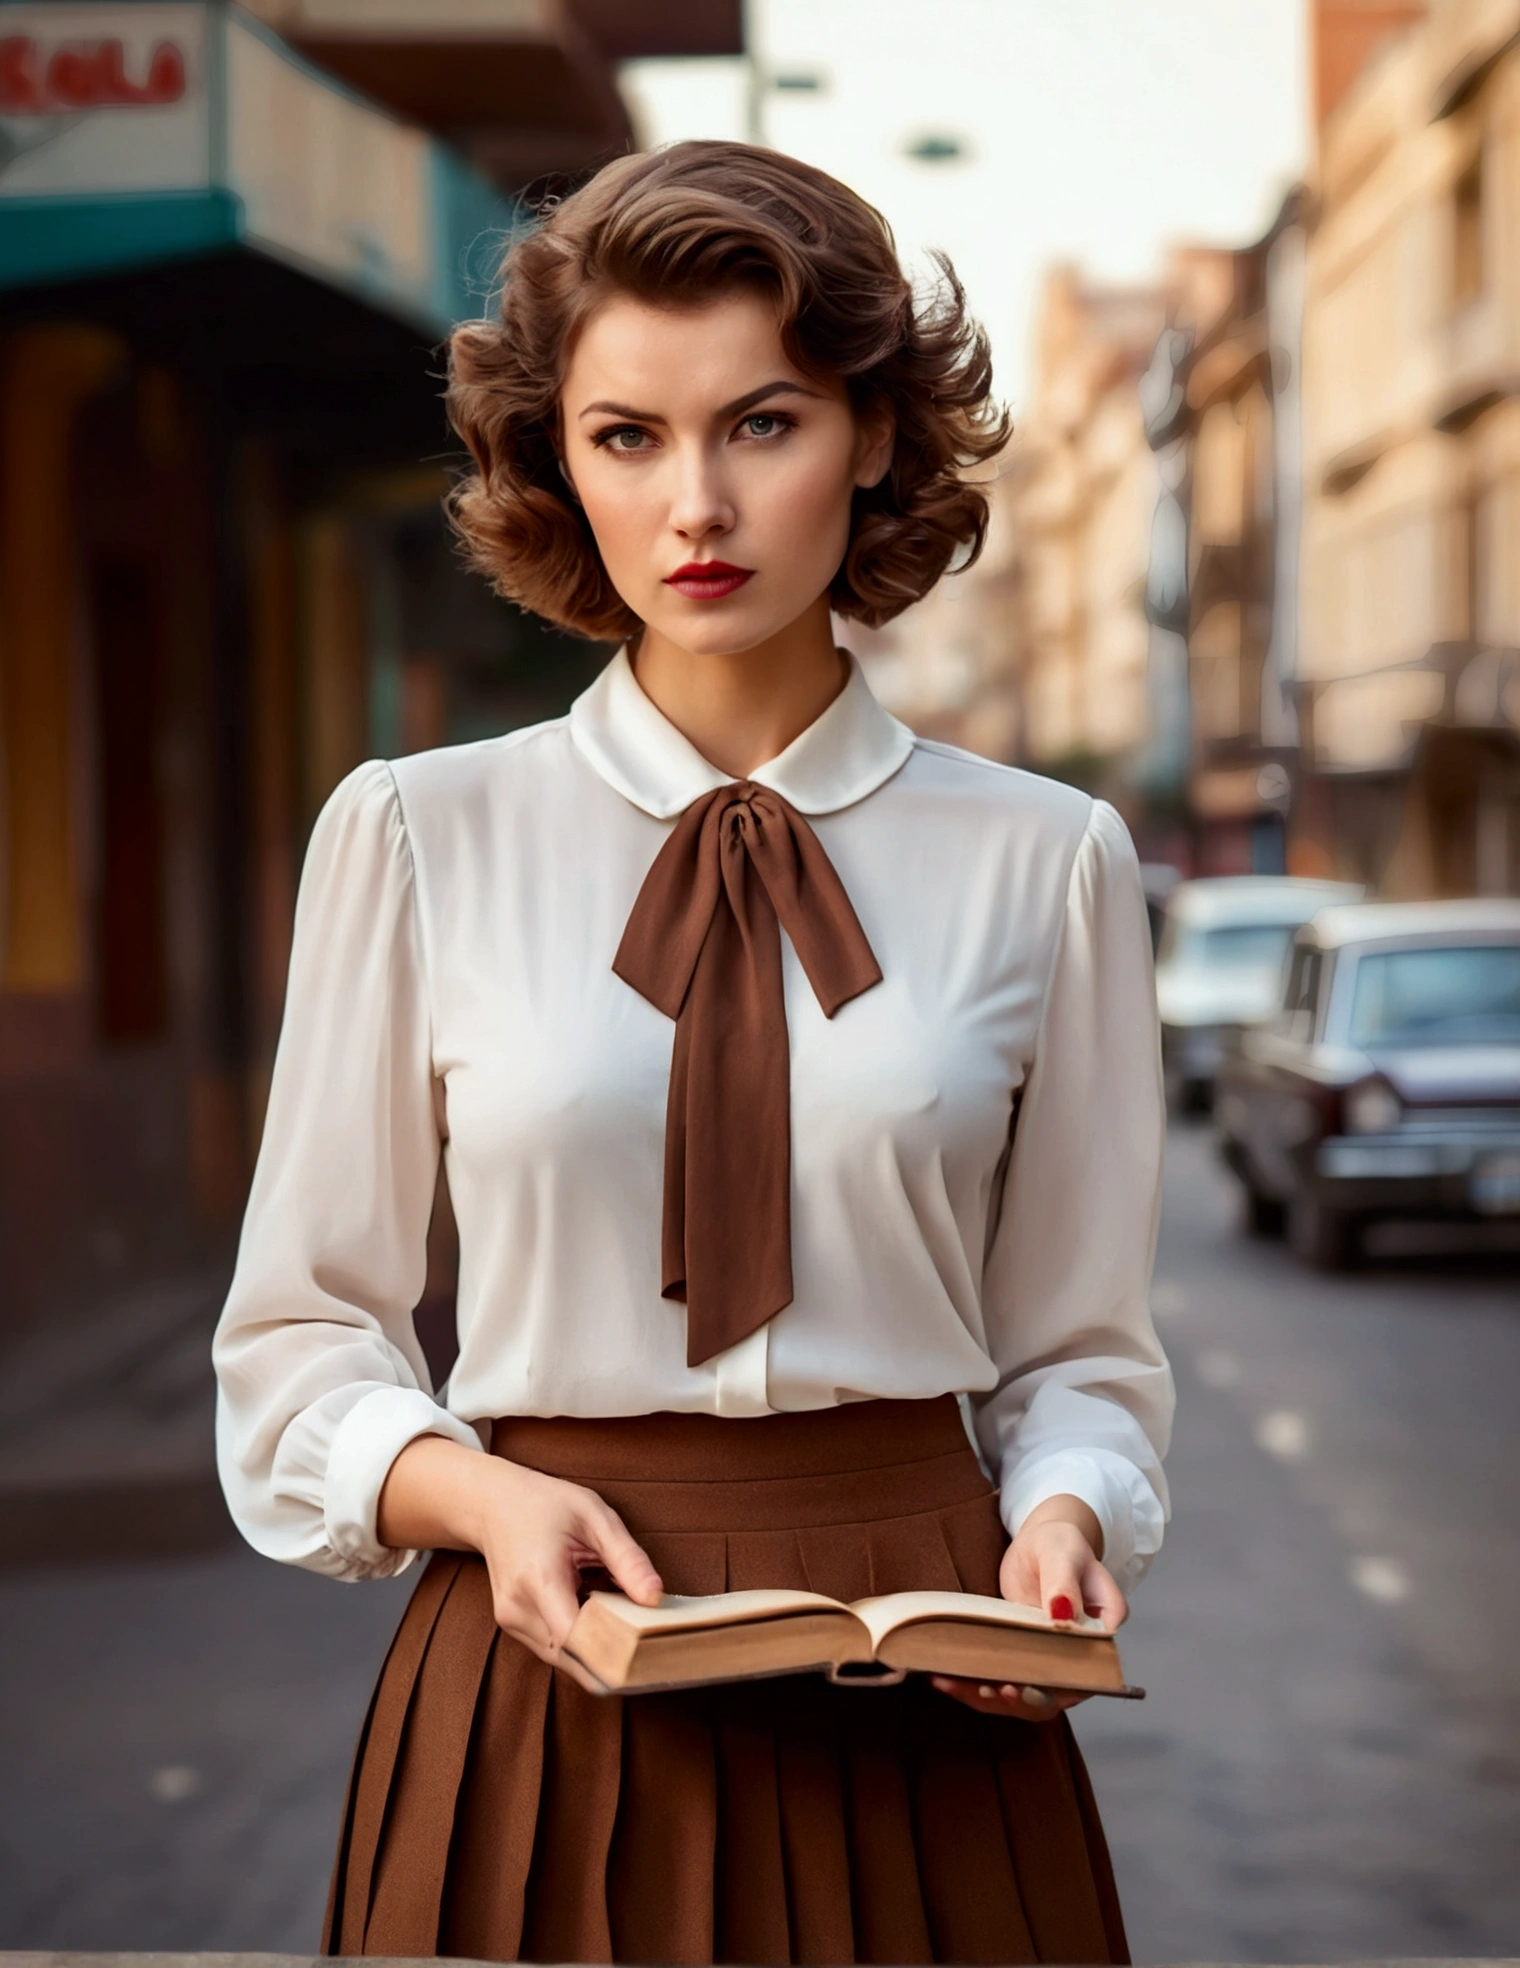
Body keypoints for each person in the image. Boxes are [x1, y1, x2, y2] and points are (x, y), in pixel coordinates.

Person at [213, 139, 1172, 1966]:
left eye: (764, 422)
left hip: (936, 1683)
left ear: (875, 434)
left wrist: (1059, 1514)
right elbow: (297, 1347)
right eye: (627, 436)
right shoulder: (419, 834)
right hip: (536, 1672)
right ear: (558, 462)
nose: (696, 505)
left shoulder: (1050, 858)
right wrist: (477, 1499)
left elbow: (1084, 1357)